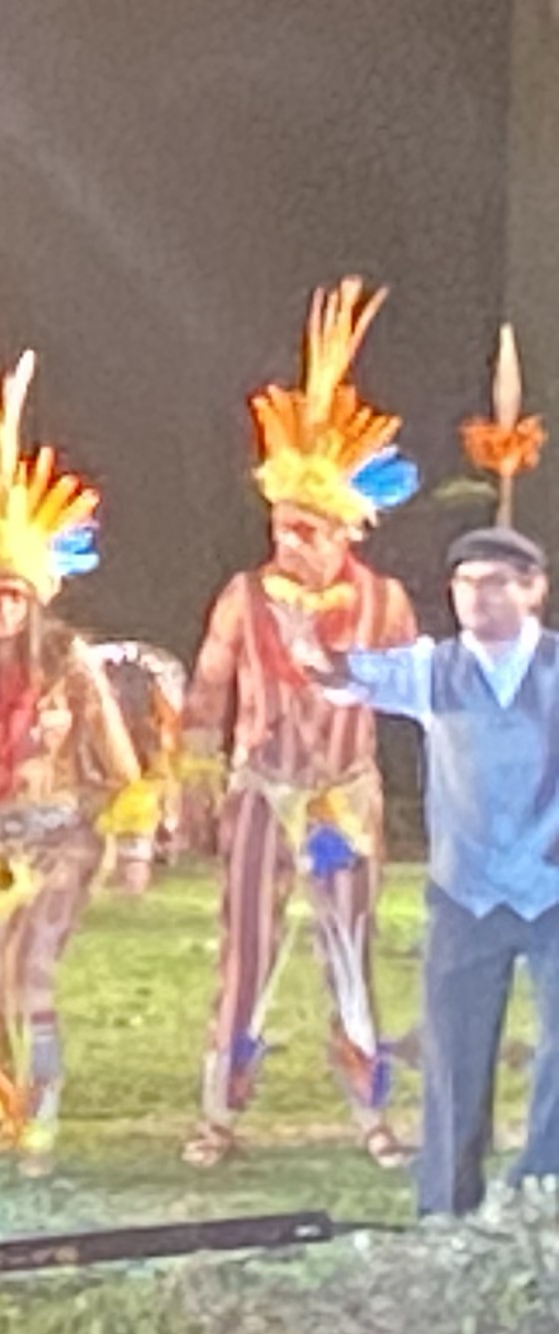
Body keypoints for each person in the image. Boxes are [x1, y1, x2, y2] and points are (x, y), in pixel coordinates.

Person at [179, 282, 421, 1167]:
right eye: (283, 527)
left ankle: (371, 1115)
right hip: (260, 794)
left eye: (308, 530)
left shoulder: (384, 602)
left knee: (349, 949)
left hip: (342, 799)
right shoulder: (243, 597)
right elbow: (207, 696)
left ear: (344, 532)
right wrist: (192, 784)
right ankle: (218, 1115)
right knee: (246, 951)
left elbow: (415, 692)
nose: (290, 543)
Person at [0, 358, 155, 1174]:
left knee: (31, 975)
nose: (6, 609)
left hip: (59, 839)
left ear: (37, 596)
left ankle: (43, 1119)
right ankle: (12, 1103)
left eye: (18, 595)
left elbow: (120, 758)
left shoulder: (69, 661)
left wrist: (133, 845)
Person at [301, 526, 559, 1221]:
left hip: (552, 889)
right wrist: (312, 637)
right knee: (453, 1053)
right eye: (466, 583)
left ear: (534, 590)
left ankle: (543, 1190)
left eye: (495, 582)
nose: (476, 596)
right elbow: (341, 675)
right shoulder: (432, 669)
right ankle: (446, 1207)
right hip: (465, 891)